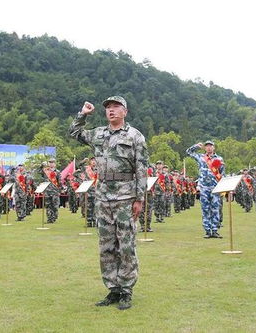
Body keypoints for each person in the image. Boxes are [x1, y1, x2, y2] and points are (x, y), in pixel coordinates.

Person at [69, 95, 148, 310]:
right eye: (108, 108)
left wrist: (139, 199)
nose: (111, 111)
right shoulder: (98, 134)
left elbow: (142, 169)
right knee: (105, 245)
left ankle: (126, 290)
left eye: (116, 107)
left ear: (125, 111)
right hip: (103, 196)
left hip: (125, 196)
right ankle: (112, 289)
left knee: (126, 244)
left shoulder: (135, 136)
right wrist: (83, 114)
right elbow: (74, 132)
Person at [186, 140, 225, 239]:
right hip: (204, 187)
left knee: (215, 209)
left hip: (215, 187)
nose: (209, 148)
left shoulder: (219, 159)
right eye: (207, 146)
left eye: (211, 146)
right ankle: (208, 230)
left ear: (214, 147)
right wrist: (196, 146)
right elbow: (189, 152)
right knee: (205, 209)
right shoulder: (201, 157)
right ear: (205, 148)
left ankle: (215, 230)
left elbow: (222, 174)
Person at [40, 159, 61, 223]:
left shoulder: (57, 172)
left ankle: (54, 216)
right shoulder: (45, 171)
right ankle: (49, 218)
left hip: (54, 191)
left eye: (52, 162)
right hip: (47, 191)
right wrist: (41, 165)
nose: (51, 164)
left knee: (55, 205)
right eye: (50, 162)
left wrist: (59, 190)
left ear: (55, 164)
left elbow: (59, 182)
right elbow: (39, 171)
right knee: (48, 205)